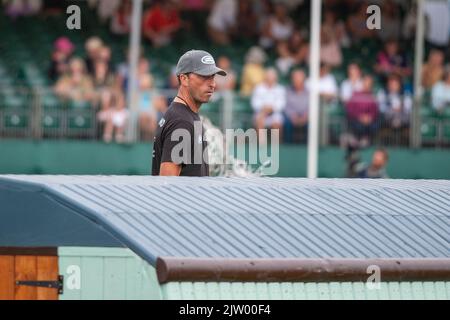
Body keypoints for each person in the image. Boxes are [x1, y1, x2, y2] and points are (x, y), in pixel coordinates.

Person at [151, 50, 227, 176]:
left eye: (213, 77)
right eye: (204, 76)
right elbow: (166, 186)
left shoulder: (184, 116)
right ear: (184, 79)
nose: (212, 84)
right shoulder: (181, 121)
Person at [345, 75, 379, 147]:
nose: (367, 85)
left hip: (369, 120)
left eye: (369, 84)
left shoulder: (373, 96)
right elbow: (350, 109)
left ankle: (365, 140)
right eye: (366, 83)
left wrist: (369, 117)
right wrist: (359, 117)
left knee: (375, 125)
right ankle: (356, 140)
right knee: (358, 125)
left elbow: (375, 111)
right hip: (356, 119)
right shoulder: (355, 94)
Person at [251, 68, 286, 135]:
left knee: (277, 123)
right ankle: (262, 145)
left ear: (275, 78)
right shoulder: (258, 88)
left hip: (275, 113)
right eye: (268, 76)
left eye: (272, 77)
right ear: (265, 77)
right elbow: (255, 103)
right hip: (261, 113)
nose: (270, 78)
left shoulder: (280, 89)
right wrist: (264, 108)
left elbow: (281, 104)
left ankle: (276, 145)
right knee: (259, 120)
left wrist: (271, 108)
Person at [283, 69, 309, 143]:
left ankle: (306, 147)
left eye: (298, 78)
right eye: (294, 78)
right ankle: (287, 146)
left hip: (305, 117)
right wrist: (292, 115)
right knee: (286, 123)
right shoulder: (287, 91)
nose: (296, 81)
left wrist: (306, 116)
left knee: (311, 125)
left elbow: (311, 107)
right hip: (291, 117)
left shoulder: (309, 92)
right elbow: (285, 106)